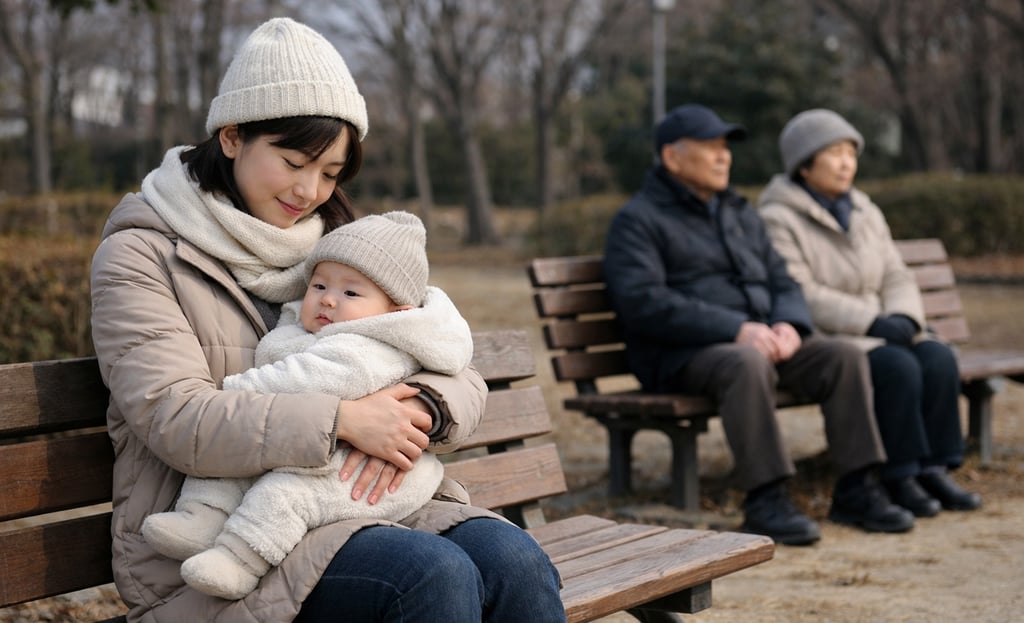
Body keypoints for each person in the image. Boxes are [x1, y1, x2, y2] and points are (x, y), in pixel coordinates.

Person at [90, 17, 564, 622]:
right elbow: (174, 418)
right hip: (220, 541)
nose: (311, 190)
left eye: (332, 173)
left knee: (514, 560)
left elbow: (447, 358)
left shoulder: (341, 241)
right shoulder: (143, 255)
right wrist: (346, 420)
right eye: (294, 162)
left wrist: (420, 405)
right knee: (432, 576)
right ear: (232, 137)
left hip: (364, 503)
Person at [602, 103, 915, 546]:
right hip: (679, 355)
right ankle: (766, 498)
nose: (724, 156)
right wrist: (735, 327)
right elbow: (645, 303)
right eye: (710, 147)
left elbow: (782, 279)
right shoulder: (637, 221)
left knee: (841, 356)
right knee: (745, 363)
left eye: (725, 147)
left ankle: (857, 488)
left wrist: (790, 323)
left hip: (757, 341)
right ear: (673, 157)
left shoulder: (739, 212)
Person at [140, 211, 477, 600]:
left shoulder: (362, 348)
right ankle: (203, 518)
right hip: (319, 446)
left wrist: (237, 389)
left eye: (351, 293)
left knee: (284, 494)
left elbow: (301, 379)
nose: (329, 299)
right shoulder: (319, 331)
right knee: (238, 455)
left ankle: (238, 560)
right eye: (318, 285)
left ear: (395, 312)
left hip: (362, 474)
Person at [757, 108, 982, 518]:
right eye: (835, 153)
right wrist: (870, 321)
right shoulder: (777, 218)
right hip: (831, 335)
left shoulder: (864, 209)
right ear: (804, 165)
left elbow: (896, 272)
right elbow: (800, 290)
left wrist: (903, 317)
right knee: (897, 366)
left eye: (851, 153)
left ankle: (931, 468)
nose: (847, 164)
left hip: (884, 324)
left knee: (936, 356)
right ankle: (898, 474)